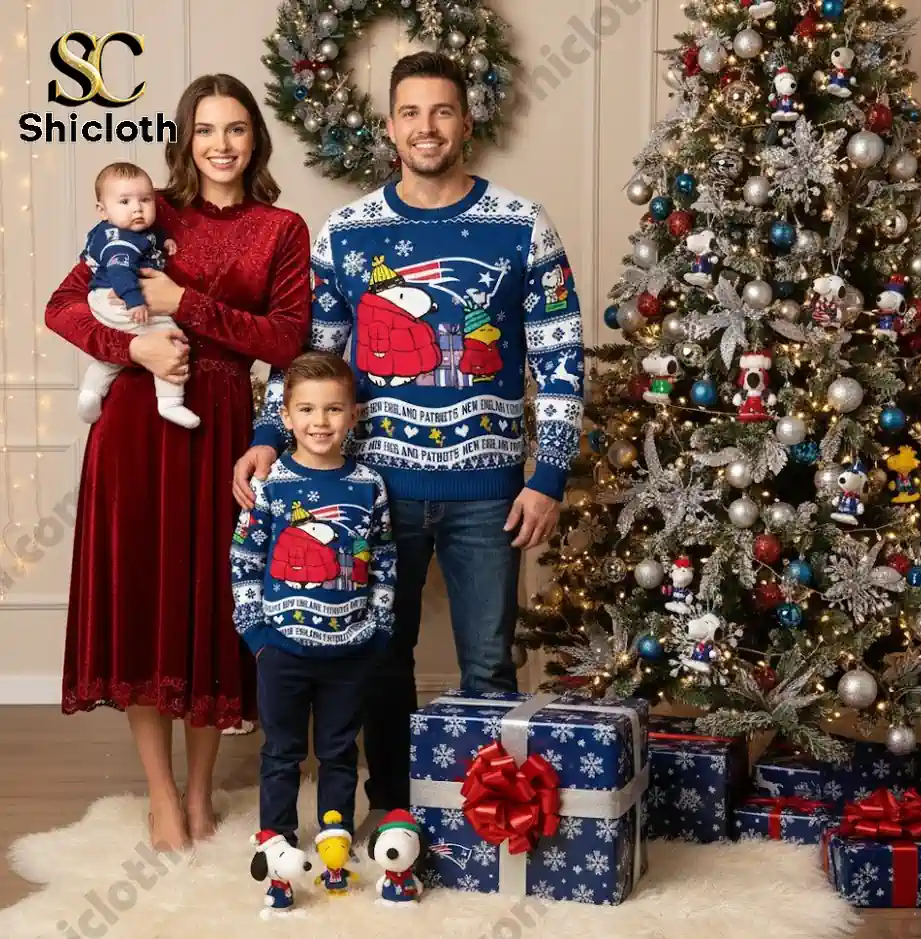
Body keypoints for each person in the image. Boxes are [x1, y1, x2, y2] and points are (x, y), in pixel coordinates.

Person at [233, 51, 585, 832]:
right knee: (378, 664)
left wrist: (549, 472)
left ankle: (492, 823)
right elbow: (309, 358)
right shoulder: (350, 233)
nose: (427, 128)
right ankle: (394, 810)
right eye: (411, 113)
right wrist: (268, 431)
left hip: (490, 490)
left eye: (443, 111)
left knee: (489, 665)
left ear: (466, 122)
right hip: (374, 487)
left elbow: (561, 356)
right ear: (390, 127)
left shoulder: (523, 225)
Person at [44, 73, 311, 852]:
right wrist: (132, 343)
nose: (221, 144)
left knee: (210, 604)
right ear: (184, 139)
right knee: (145, 598)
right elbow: (63, 305)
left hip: (225, 425)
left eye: (235, 129)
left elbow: (287, 340)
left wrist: (184, 303)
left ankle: (201, 792)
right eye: (205, 129)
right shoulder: (148, 211)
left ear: (256, 138)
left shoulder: (281, 228)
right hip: (136, 426)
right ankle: (161, 794)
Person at [231, 351, 396, 851]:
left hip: (349, 650)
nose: (319, 422)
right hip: (281, 650)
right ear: (285, 417)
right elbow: (245, 560)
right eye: (306, 410)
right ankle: (276, 838)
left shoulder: (369, 485)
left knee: (340, 751)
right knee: (281, 751)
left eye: (332, 410)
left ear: (352, 415)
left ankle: (334, 832)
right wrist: (257, 635)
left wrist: (378, 630)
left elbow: (385, 560)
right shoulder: (271, 487)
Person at [76, 162, 201, 430]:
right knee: (169, 337)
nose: (137, 208)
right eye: (124, 201)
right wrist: (135, 301)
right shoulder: (119, 243)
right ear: (102, 210)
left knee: (126, 347)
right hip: (118, 298)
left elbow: (148, 237)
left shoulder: (123, 230)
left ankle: (90, 391)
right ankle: (170, 401)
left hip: (104, 297)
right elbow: (121, 272)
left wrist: (164, 240)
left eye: (145, 200)